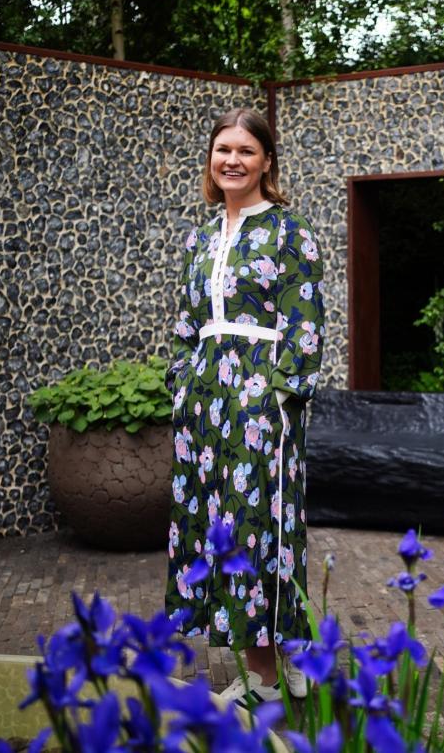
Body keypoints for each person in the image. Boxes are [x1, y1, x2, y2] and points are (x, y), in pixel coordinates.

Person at [164, 108, 325, 706]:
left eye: (246, 151)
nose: (232, 160)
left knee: (263, 526)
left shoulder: (288, 230)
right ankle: (274, 661)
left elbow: (305, 320)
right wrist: (182, 384)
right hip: (204, 404)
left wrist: (279, 394)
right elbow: (186, 323)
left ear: (266, 162)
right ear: (211, 158)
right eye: (222, 149)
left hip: (261, 399)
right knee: (220, 531)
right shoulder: (201, 236)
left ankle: (272, 667)